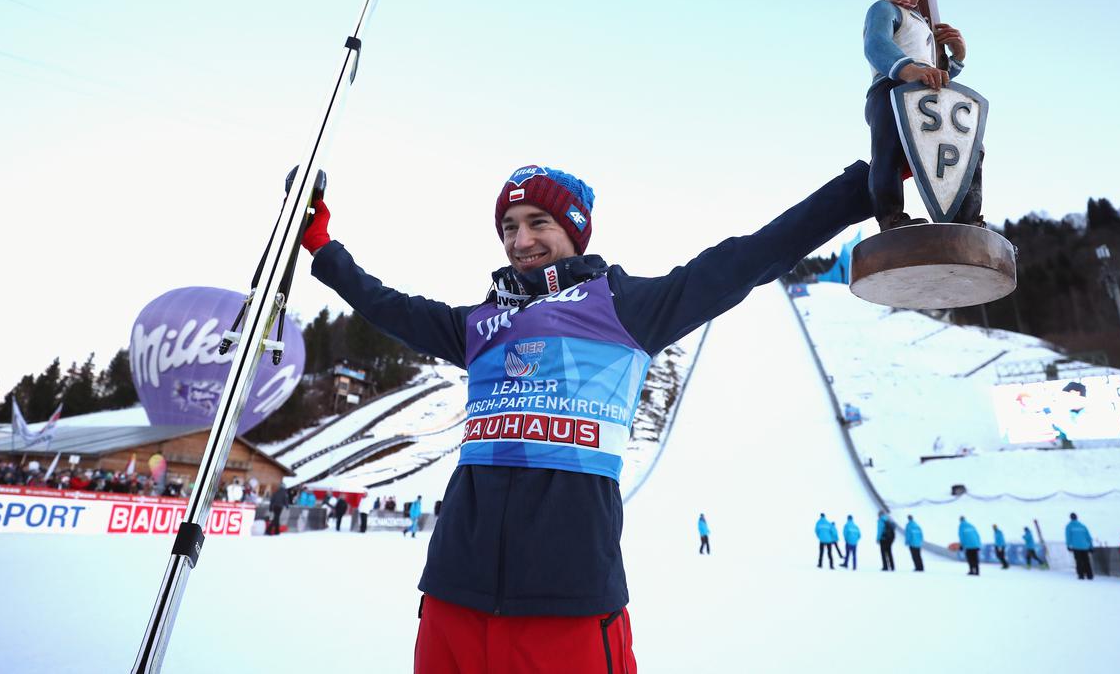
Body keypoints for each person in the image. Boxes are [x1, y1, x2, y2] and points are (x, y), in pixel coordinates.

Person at [303, 159, 872, 672]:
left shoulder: (625, 308)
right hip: (454, 598)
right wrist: (323, 249)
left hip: (567, 607)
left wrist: (860, 191)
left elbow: (747, 258)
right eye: (509, 227)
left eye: (537, 223)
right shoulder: (477, 324)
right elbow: (386, 305)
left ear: (573, 229)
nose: (520, 240)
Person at [863, 0, 980, 231]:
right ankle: (890, 216)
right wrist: (908, 70)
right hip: (891, 88)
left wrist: (957, 59)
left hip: (925, 95)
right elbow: (876, 45)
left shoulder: (923, 25)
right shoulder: (884, 9)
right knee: (889, 147)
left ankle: (967, 220)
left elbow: (933, 73)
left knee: (967, 150)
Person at [1065, 512, 1094, 580]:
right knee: (1086, 561)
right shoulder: (1082, 526)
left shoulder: (1069, 526)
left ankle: (1081, 575)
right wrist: (1091, 546)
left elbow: (1068, 536)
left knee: (1078, 561)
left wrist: (1068, 545)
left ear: (1070, 518)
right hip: (1085, 546)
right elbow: (1088, 537)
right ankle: (1089, 575)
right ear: (1077, 517)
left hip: (1076, 546)